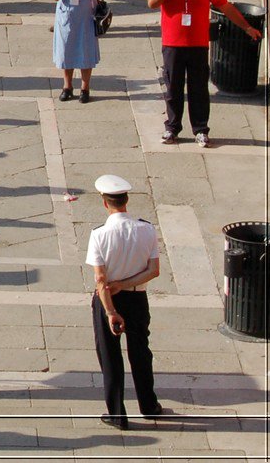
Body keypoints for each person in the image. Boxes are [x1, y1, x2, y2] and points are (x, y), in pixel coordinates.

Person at [147, 0, 262, 147]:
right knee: (173, 88)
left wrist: (247, 27)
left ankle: (200, 130)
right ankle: (172, 128)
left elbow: (226, 7)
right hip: (172, 46)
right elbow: (152, 3)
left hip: (198, 46)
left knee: (198, 89)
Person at [86, 174, 164, 430]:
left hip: (109, 299)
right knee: (141, 352)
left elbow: (100, 278)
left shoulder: (99, 235)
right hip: (137, 297)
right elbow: (154, 271)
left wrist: (110, 311)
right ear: (126, 200)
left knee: (110, 356)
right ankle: (149, 405)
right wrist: (127, 282)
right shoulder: (146, 229)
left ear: (104, 204)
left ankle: (118, 414)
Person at [48, 0, 104, 101]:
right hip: (66, 17)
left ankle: (85, 88)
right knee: (66, 50)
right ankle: (67, 86)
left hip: (85, 16)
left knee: (86, 51)